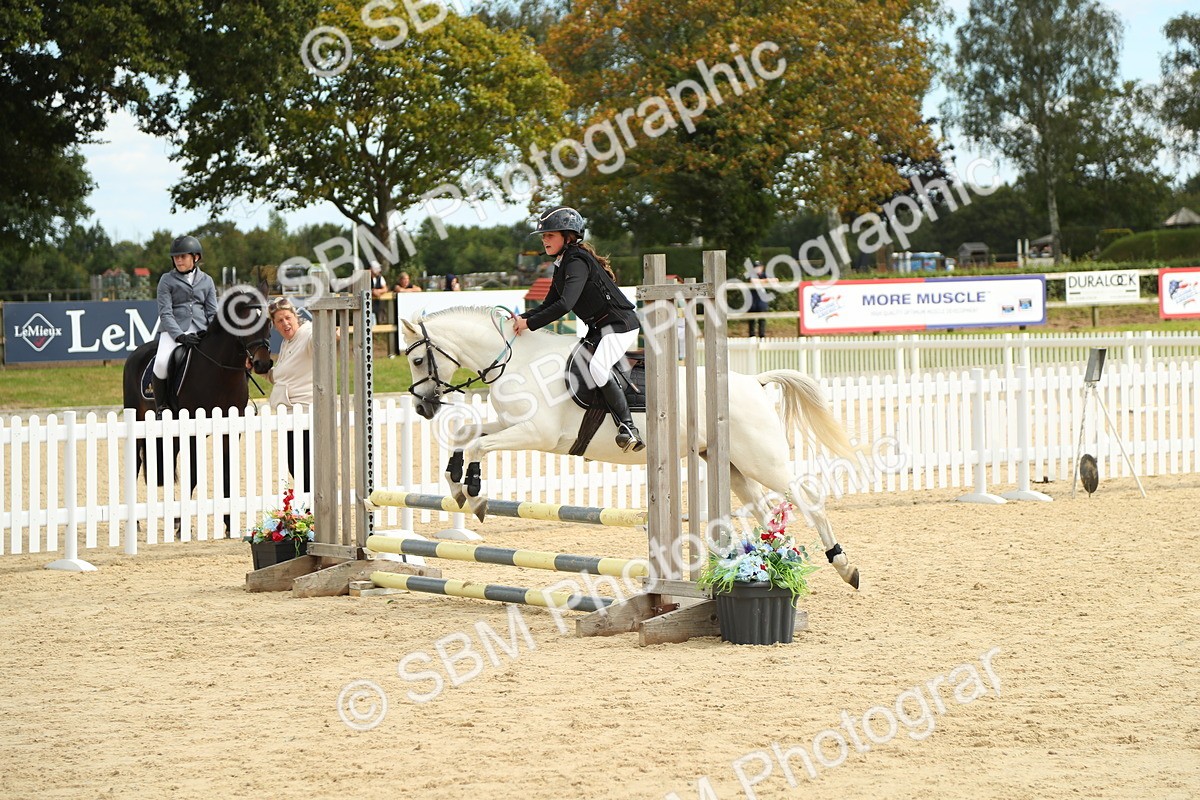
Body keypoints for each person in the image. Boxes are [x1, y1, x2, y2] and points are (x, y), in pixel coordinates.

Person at [512, 206, 644, 453]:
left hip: (620, 326)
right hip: (599, 329)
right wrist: (522, 318)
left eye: (550, 235)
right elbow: (549, 303)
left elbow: (565, 305)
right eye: (543, 236)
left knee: (597, 367)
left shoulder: (577, 261)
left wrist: (529, 324)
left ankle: (628, 427)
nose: (545, 240)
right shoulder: (562, 263)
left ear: (568, 236)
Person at [152, 235, 217, 413]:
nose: (178, 260)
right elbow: (165, 312)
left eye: (183, 256)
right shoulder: (166, 280)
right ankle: (162, 405)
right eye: (176, 257)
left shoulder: (207, 281)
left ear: (195, 257)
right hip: (174, 330)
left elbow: (212, 312)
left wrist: (213, 333)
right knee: (161, 363)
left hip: (201, 329)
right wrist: (179, 335)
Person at [266, 297, 314, 492]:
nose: (285, 323)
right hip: (289, 415)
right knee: (295, 465)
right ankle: (306, 508)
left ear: (296, 317)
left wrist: (333, 333)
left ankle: (311, 508)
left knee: (303, 465)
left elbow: (319, 339)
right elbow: (281, 377)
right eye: (279, 321)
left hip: (304, 412)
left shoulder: (307, 334)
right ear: (275, 325)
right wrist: (260, 371)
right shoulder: (287, 343)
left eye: (287, 317)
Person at [747, 259, 772, 338]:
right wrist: (765, 281)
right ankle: (752, 336)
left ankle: (762, 336)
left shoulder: (765, 274)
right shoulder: (751, 275)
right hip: (753, 300)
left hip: (762, 300)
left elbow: (775, 280)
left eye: (759, 267)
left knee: (762, 319)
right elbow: (752, 281)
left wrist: (763, 281)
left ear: (762, 267)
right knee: (751, 319)